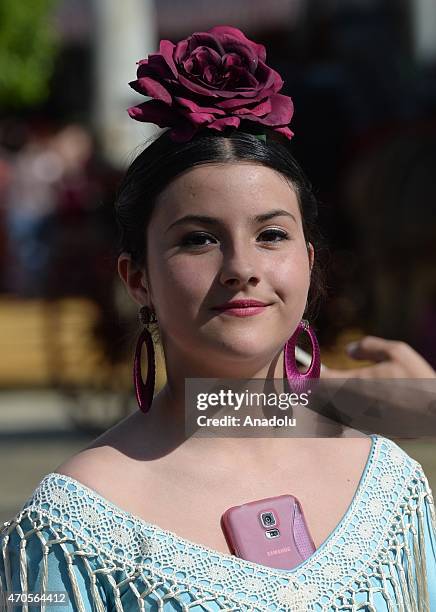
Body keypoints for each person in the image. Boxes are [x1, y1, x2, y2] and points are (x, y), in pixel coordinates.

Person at [1, 26, 435, 611]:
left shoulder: (390, 489)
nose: (241, 267)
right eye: (199, 239)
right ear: (138, 279)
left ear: (308, 263)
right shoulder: (73, 526)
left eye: (272, 235)